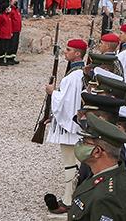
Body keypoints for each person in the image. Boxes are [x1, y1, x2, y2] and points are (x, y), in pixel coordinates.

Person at [42, 39, 88, 214]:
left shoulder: (74, 76)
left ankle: (69, 200)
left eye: (68, 50)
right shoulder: (82, 72)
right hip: (76, 124)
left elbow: (66, 101)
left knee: (70, 164)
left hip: (69, 127)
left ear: (77, 53)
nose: (65, 52)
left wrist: (52, 92)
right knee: (75, 164)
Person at [67, 114, 126, 221]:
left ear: (97, 152)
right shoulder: (117, 172)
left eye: (85, 142)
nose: (80, 145)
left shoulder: (106, 199)